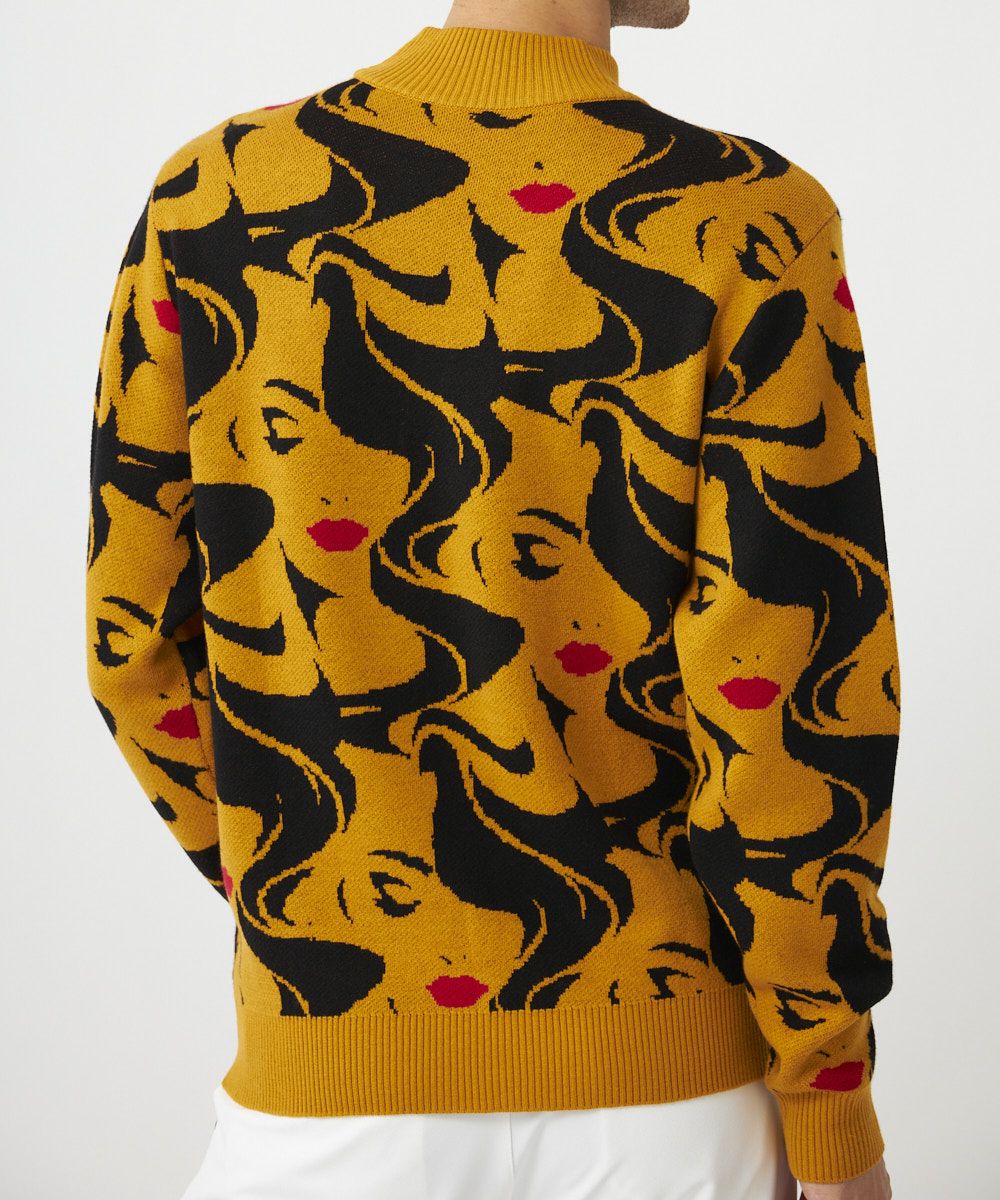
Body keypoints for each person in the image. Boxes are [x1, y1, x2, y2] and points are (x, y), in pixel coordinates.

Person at [84, 1, 900, 1198]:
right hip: (669, 1110)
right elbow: (787, 697)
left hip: (323, 1097)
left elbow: (133, 645)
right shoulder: (747, 220)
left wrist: (299, 889)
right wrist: (830, 1103)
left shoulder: (215, 198)